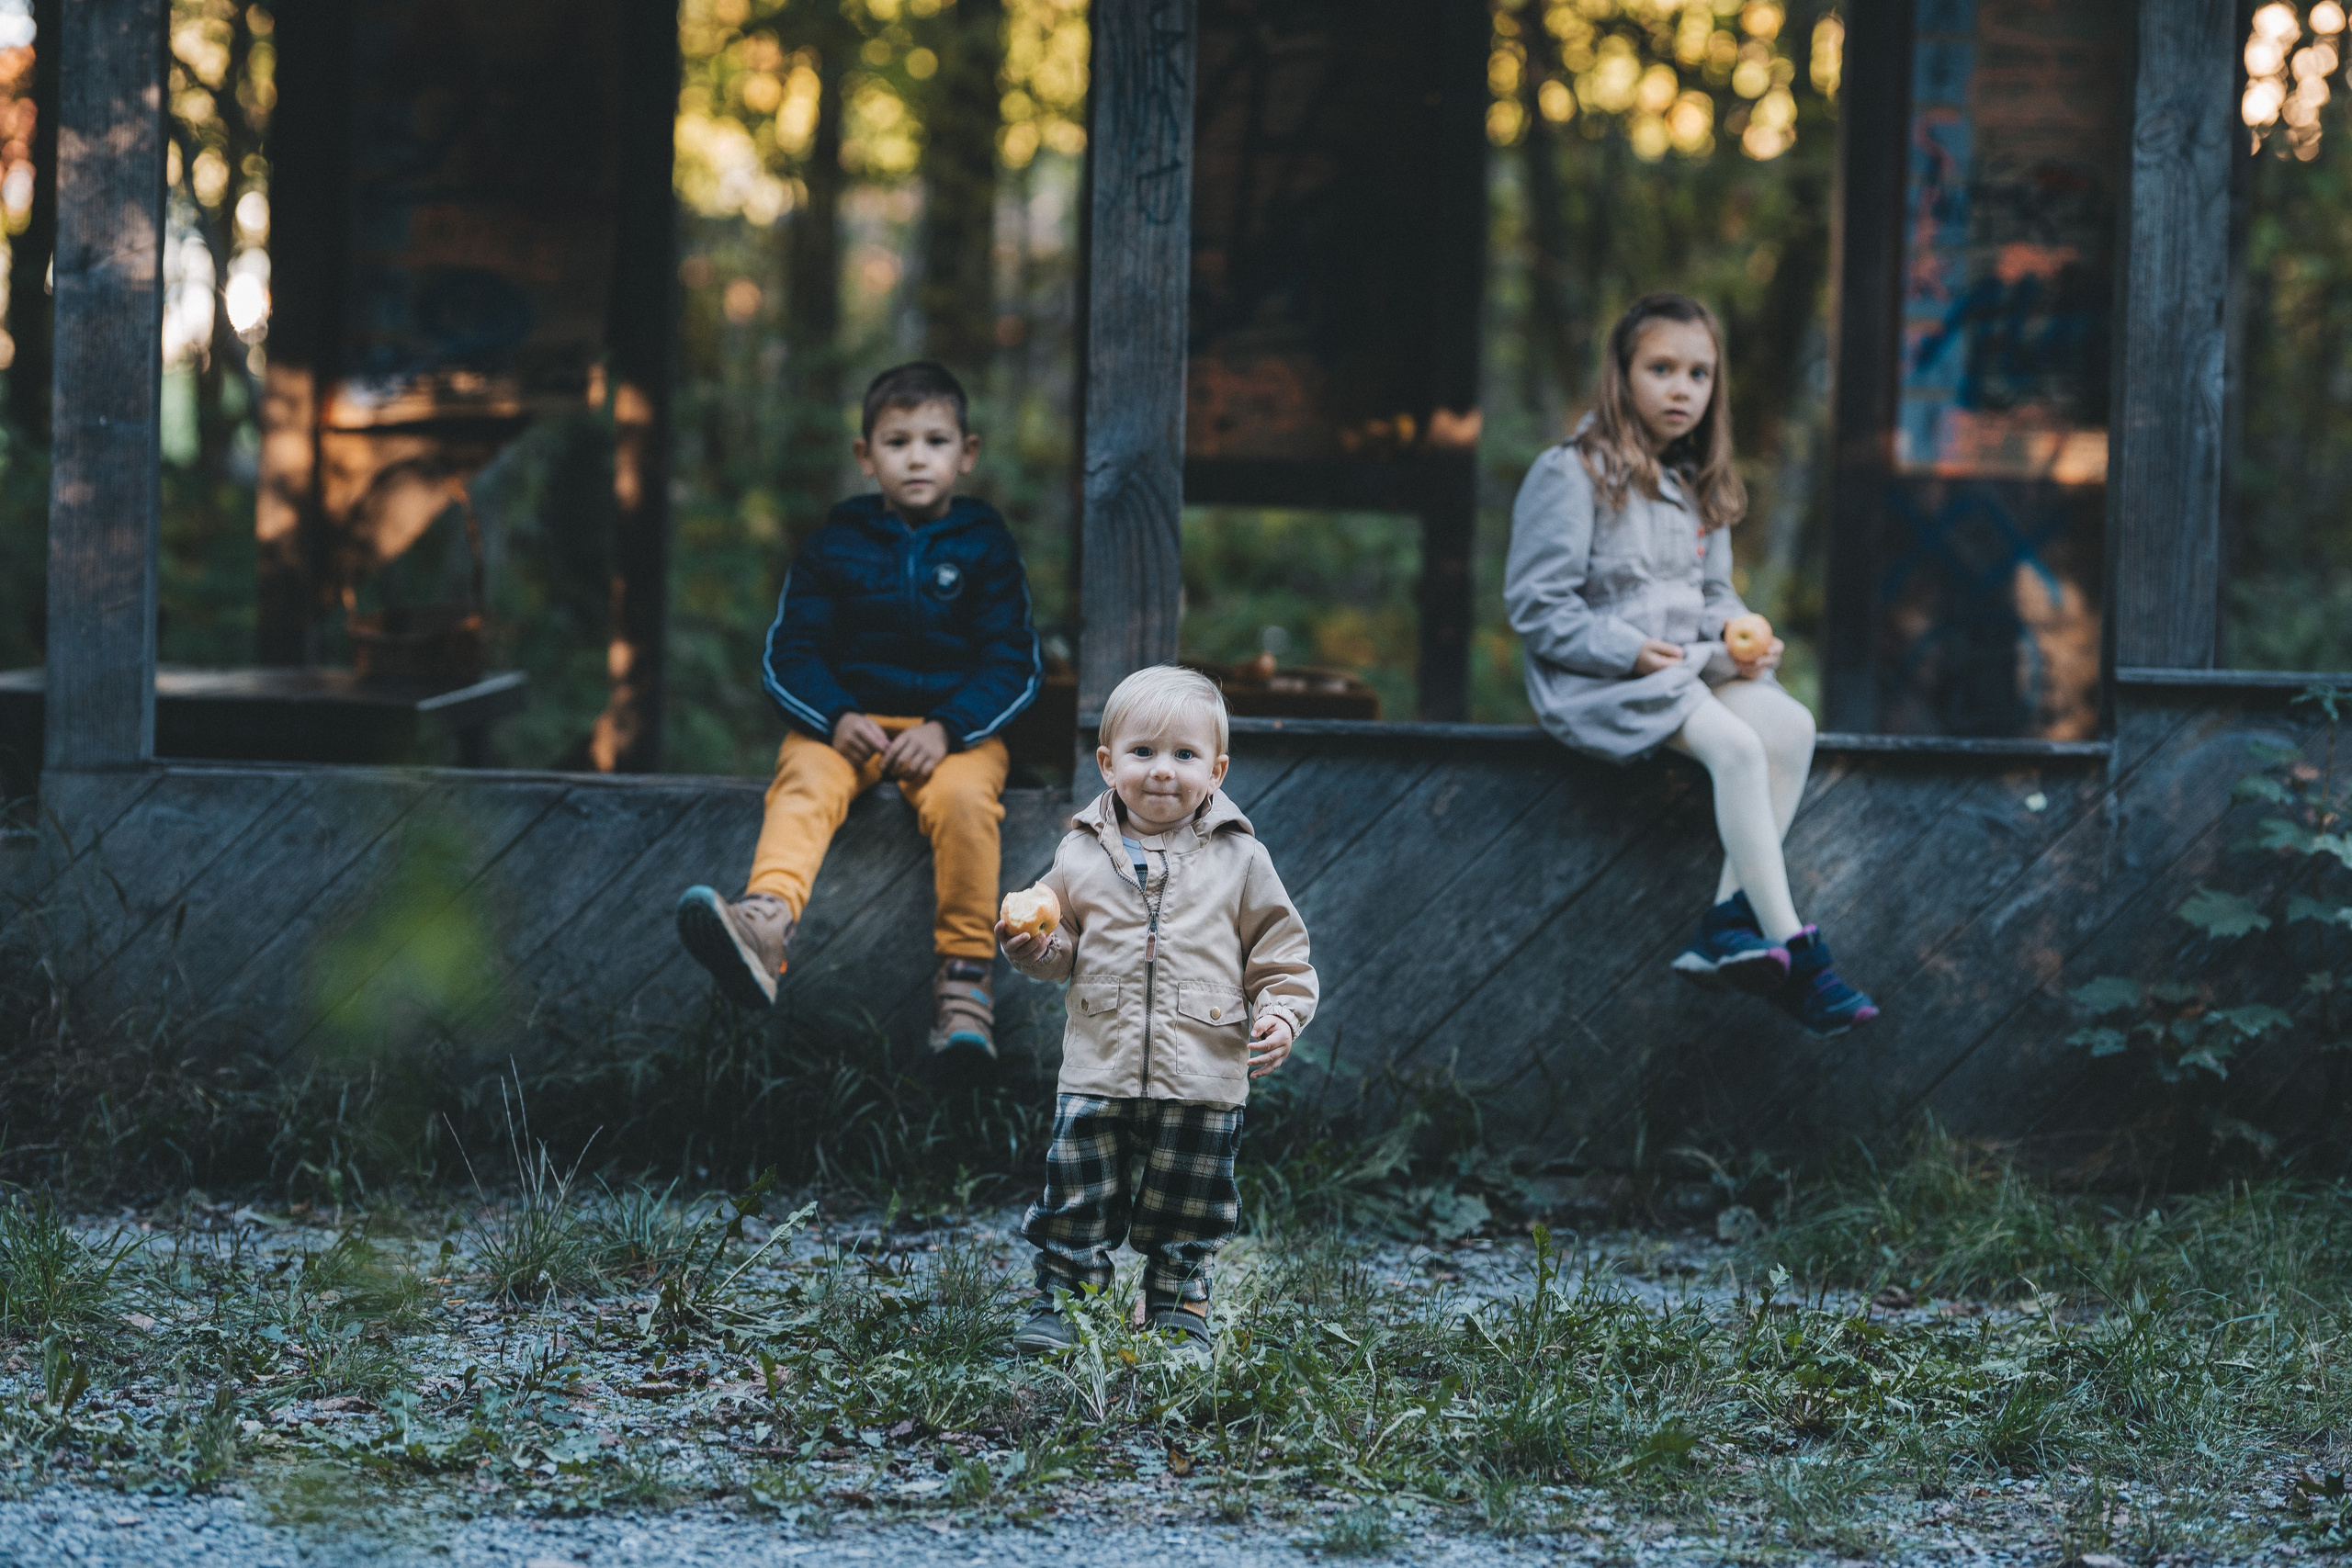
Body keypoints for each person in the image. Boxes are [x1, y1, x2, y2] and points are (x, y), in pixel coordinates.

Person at [1503, 292, 1877, 1035]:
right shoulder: (1571, 472)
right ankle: (1802, 954)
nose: (1682, 389)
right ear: (1622, 375)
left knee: (1793, 726)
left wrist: (1742, 628)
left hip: (1685, 670)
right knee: (1737, 748)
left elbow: (1712, 595)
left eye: (1700, 374)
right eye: (1662, 368)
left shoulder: (1696, 483)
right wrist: (1628, 651)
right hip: (1599, 680)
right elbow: (1536, 606)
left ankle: (1724, 927)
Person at [674, 361, 1042, 1064]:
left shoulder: (985, 545)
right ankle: (765, 923)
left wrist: (948, 727)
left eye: (935, 441)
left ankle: (965, 984)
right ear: (865, 456)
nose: (915, 456)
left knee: (967, 801)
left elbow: (1013, 662)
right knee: (804, 778)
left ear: (967, 454)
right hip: (850, 727)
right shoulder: (835, 543)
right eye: (896, 440)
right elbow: (792, 653)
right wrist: (837, 716)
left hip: (953, 733)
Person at [997, 665, 1317, 1352]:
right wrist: (1032, 943)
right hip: (1099, 1066)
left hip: (1203, 1068)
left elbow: (1281, 954)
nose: (1163, 771)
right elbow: (1062, 950)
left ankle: (1177, 1303)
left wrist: (1282, 1013)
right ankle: (1064, 1300)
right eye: (1143, 753)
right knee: (1077, 1194)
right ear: (1108, 764)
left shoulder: (1242, 858)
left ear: (1217, 769)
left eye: (1184, 755)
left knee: (1188, 1200)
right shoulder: (1079, 854)